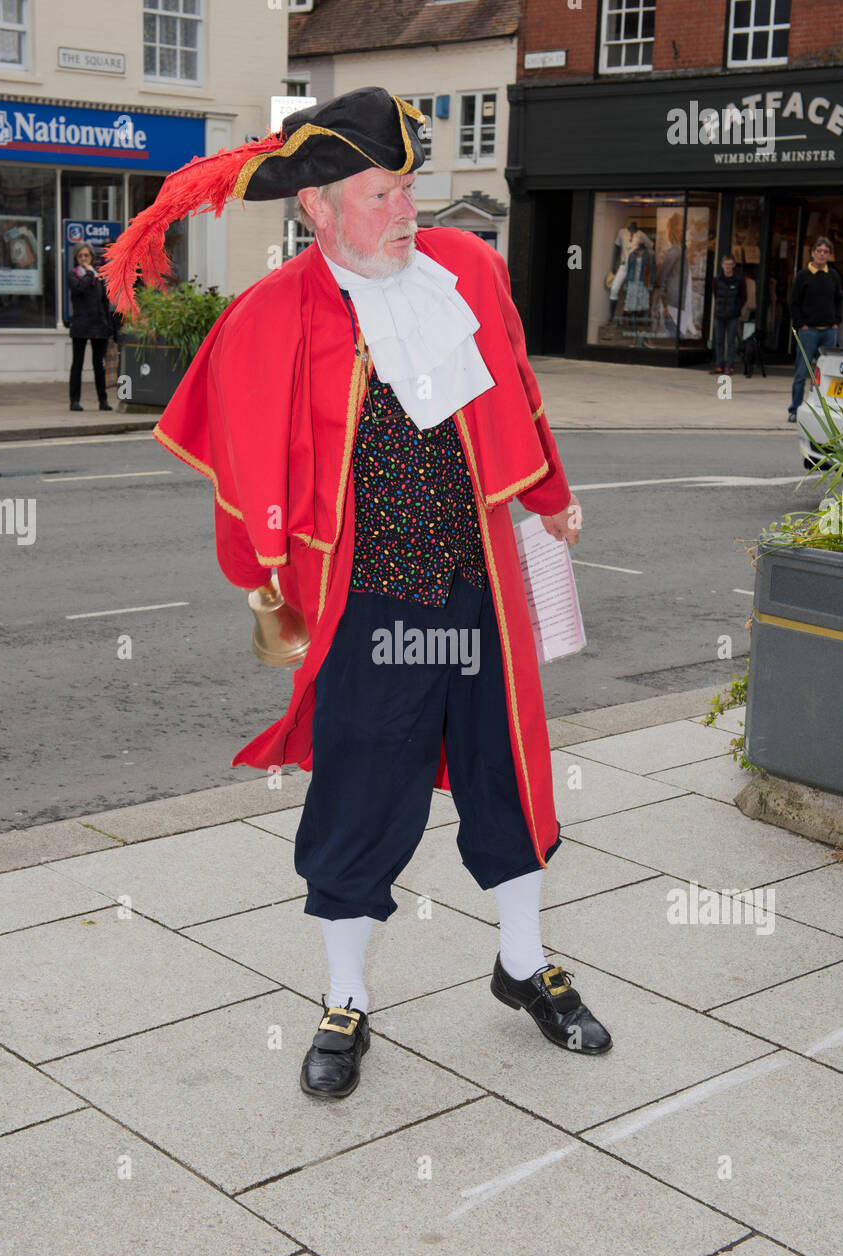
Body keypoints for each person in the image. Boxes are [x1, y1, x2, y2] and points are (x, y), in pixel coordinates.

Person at [100, 87, 612, 1102]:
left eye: (409, 187)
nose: (406, 211)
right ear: (317, 208)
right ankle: (346, 997)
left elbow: (515, 388)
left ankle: (521, 963)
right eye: (382, 194)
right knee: (360, 802)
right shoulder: (273, 313)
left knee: (507, 774)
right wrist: (257, 581)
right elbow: (238, 454)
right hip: (371, 609)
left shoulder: (468, 268)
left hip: (481, 593)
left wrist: (550, 499)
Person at [788, 236, 842, 422]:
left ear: (829, 255)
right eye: (819, 251)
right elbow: (794, 303)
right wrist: (801, 324)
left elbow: (838, 300)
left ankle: (822, 411)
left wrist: (836, 322)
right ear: (812, 253)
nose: (822, 254)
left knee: (826, 375)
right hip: (808, 331)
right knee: (801, 373)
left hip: (829, 332)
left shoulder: (833, 275)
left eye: (825, 252)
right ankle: (794, 409)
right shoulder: (803, 276)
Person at [67, 243, 115, 411]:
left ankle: (103, 401)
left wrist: (109, 327)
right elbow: (79, 289)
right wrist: (89, 272)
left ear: (92, 257)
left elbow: (104, 302)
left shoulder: (98, 277)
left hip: (98, 325)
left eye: (86, 256)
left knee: (98, 365)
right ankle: (74, 401)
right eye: (80, 256)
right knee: (77, 364)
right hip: (80, 325)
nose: (84, 259)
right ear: (76, 258)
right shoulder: (73, 275)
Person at [709, 255, 747, 375]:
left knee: (731, 342)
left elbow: (743, 297)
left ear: (734, 266)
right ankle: (719, 365)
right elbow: (715, 293)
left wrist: (736, 308)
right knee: (719, 341)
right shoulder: (717, 280)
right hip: (719, 315)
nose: (728, 267)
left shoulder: (739, 280)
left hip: (733, 316)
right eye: (726, 264)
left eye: (730, 264)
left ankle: (729, 366)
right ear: (722, 265)